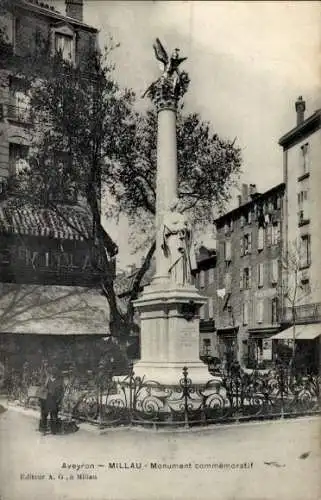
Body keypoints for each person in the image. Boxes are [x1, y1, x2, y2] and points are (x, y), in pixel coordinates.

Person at [38, 366, 64, 434]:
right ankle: (52, 430)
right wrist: (59, 401)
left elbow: (44, 388)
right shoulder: (58, 381)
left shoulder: (50, 380)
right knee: (52, 415)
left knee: (46, 415)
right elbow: (61, 392)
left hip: (49, 399)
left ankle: (45, 429)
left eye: (52, 373)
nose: (51, 374)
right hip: (51, 400)